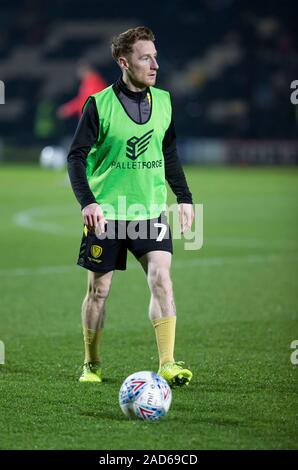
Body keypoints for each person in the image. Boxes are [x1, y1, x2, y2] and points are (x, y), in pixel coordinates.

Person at [67, 26, 194, 387]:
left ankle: (167, 363)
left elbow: (169, 153)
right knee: (99, 290)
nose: (154, 64)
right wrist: (88, 202)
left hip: (150, 211)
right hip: (107, 212)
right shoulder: (99, 104)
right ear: (124, 62)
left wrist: (184, 198)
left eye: (155, 56)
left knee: (162, 280)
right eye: (145, 57)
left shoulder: (165, 102)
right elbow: (76, 158)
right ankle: (92, 364)